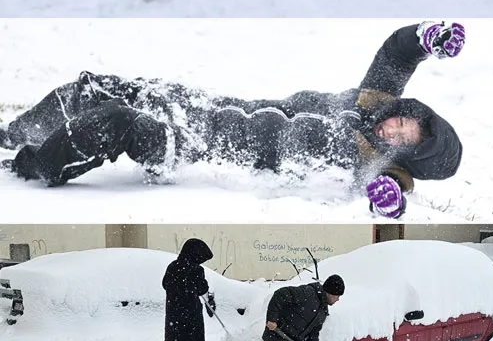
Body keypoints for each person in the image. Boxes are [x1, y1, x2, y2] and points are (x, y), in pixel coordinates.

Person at [0, 21, 466, 220]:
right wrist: (427, 37)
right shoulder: (374, 101)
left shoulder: (383, 168)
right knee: (95, 84)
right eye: (404, 119)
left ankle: (33, 166)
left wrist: (389, 202)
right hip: (205, 106)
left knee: (114, 121)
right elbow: (396, 53)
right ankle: (15, 133)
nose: (394, 127)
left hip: (195, 150)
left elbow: (392, 199)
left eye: (403, 136)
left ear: (406, 153)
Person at [162, 237, 215, 341]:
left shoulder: (172, 266)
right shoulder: (196, 269)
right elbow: (202, 289)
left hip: (175, 315)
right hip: (191, 315)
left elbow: (165, 284)